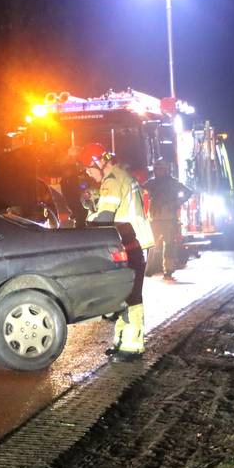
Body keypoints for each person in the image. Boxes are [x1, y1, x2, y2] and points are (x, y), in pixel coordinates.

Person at [75, 143, 154, 361]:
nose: (89, 174)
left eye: (89, 169)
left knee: (130, 296)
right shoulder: (122, 176)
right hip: (137, 242)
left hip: (130, 244)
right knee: (124, 294)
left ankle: (131, 346)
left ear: (98, 162)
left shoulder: (111, 181)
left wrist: (89, 218)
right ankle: (121, 341)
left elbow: (105, 219)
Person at [144, 161, 194, 280]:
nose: (158, 171)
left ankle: (168, 270)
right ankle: (148, 269)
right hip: (154, 219)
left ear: (165, 170)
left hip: (168, 219)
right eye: (156, 169)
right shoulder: (152, 183)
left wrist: (176, 203)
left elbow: (188, 192)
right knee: (151, 245)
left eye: (160, 169)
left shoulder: (172, 183)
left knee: (169, 245)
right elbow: (140, 188)